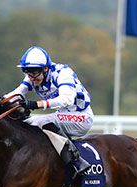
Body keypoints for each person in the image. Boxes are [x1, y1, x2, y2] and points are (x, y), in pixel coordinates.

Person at [5, 46, 91, 177]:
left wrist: (36, 104)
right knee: (27, 123)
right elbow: (18, 93)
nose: (31, 78)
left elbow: (66, 99)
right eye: (28, 73)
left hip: (81, 117)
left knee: (43, 120)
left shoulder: (63, 73)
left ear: (45, 68)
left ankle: (77, 161)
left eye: (34, 73)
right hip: (63, 115)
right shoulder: (34, 74)